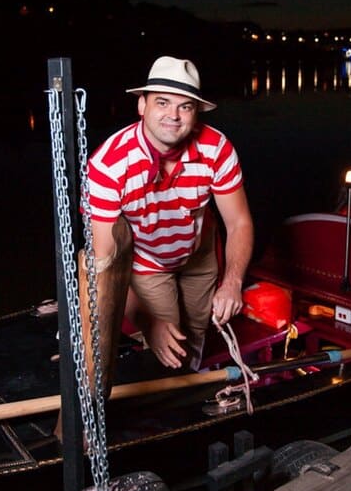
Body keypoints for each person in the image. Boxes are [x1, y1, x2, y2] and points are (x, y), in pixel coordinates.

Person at [82, 56, 254, 388]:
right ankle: (168, 413)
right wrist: (149, 323)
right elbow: (105, 263)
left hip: (199, 253)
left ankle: (195, 394)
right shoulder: (107, 167)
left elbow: (239, 223)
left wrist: (232, 282)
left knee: (196, 335)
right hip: (146, 261)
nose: (173, 116)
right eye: (162, 102)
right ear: (142, 105)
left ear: (196, 113)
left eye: (185, 106)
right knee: (167, 348)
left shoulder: (217, 148)